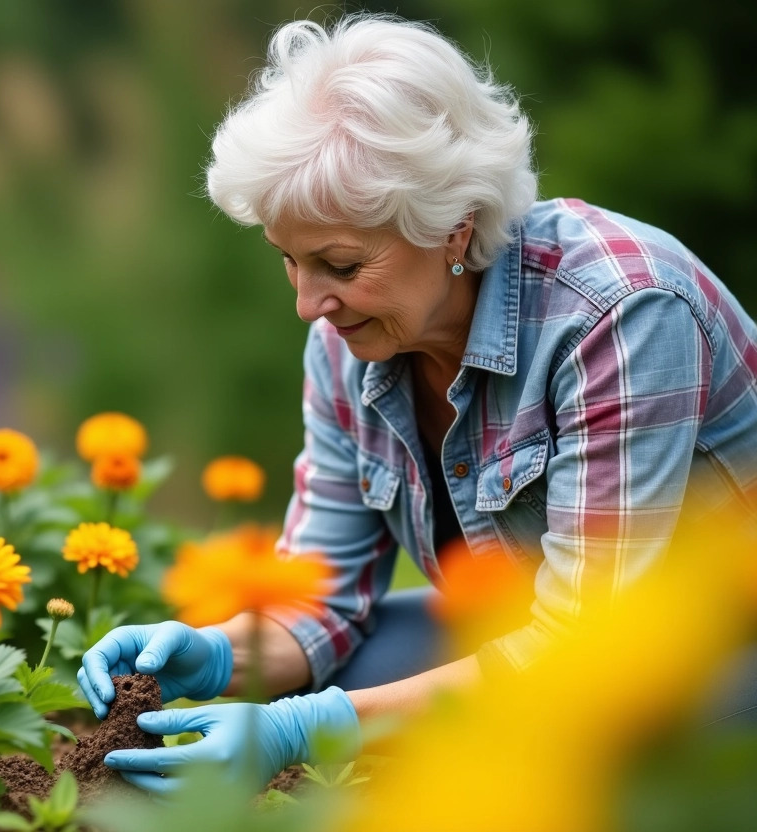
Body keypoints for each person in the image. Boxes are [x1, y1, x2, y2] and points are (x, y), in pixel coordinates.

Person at [77, 13, 757, 795]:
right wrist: (221, 653)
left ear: (452, 228)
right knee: (354, 673)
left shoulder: (619, 316)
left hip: (716, 649)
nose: (308, 304)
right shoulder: (352, 335)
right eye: (289, 261)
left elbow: (584, 650)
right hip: (540, 636)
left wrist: (305, 730)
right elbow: (324, 593)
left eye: (338, 263)